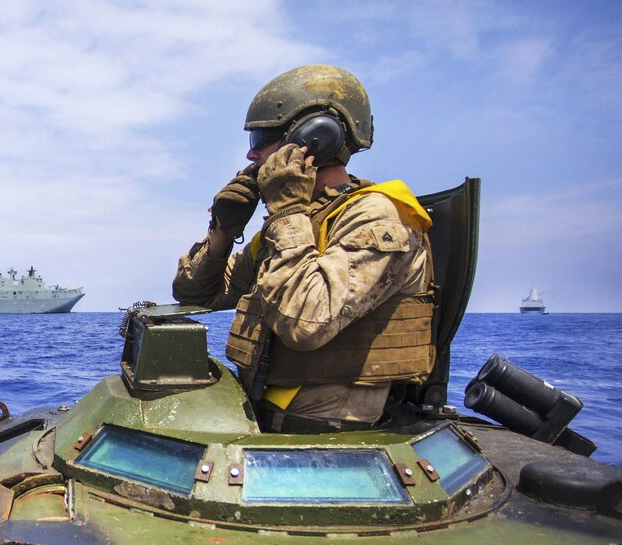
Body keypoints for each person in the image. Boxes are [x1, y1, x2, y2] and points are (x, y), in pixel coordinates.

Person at [173, 65, 436, 433]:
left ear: (314, 139)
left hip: (325, 438)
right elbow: (195, 294)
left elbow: (306, 323)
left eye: (261, 140)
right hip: (265, 422)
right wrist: (223, 230)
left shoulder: (378, 217)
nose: (252, 156)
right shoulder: (297, 221)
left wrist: (287, 211)